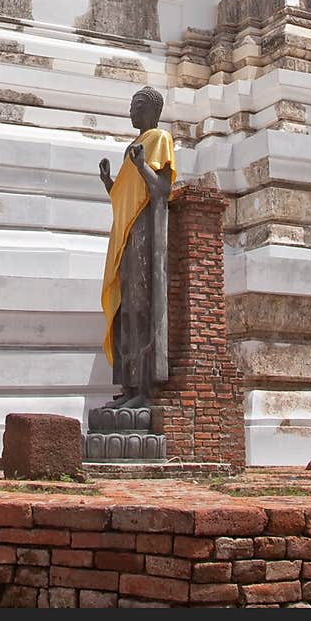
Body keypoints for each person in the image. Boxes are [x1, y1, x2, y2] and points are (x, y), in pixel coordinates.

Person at [98, 86, 175, 408]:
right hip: (126, 233)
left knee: (142, 307)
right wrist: (108, 183)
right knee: (125, 310)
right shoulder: (133, 145)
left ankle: (144, 390)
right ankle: (128, 388)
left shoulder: (160, 140)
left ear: (151, 111)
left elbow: (161, 191)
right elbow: (126, 196)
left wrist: (143, 165)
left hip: (144, 232)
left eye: (136, 106)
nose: (131, 112)